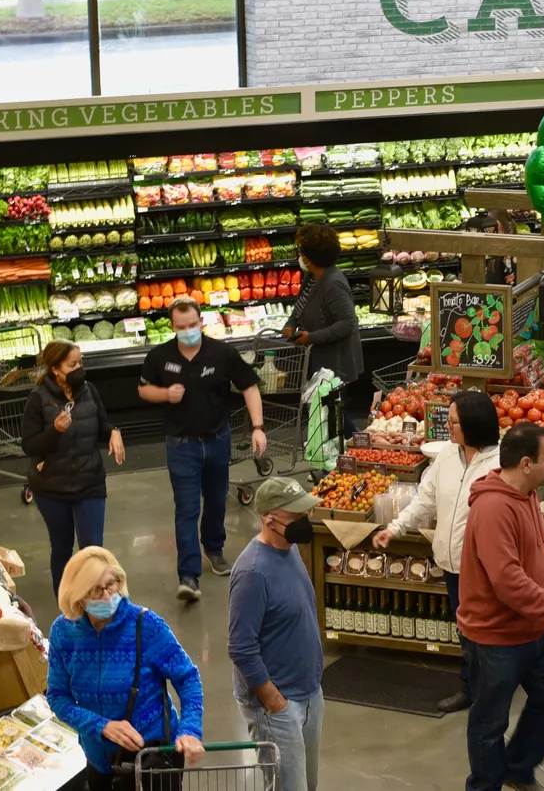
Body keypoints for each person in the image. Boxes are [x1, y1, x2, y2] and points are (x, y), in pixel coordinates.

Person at [459, 422, 544, 791]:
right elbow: (508, 582)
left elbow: (526, 527)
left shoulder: (525, 491)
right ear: (525, 463)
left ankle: (516, 768)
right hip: (496, 637)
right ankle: (486, 785)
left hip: (535, 630)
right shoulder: (492, 508)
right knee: (489, 723)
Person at [372, 389, 503, 713]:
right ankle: (471, 688)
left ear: (473, 425)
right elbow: (425, 500)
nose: (449, 426)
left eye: (455, 421)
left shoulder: (500, 464)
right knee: (465, 632)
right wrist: (395, 528)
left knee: (486, 633)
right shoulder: (446, 456)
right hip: (452, 563)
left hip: (485, 567)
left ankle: (489, 690)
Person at [45, 547, 205, 791]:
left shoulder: (146, 626)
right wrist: (102, 726)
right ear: (78, 595)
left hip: (152, 760)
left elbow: (188, 678)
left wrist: (190, 729)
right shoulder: (63, 633)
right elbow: (57, 696)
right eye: (96, 590)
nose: (108, 595)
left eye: (112, 584)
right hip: (99, 760)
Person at [139, 297, 265, 603]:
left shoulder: (222, 353)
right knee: (186, 508)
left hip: (217, 440)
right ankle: (188, 576)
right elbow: (143, 389)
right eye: (181, 327)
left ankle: (214, 549)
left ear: (201, 323)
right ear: (173, 326)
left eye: (192, 325)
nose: (188, 331)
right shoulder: (159, 356)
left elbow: (249, 386)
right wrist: (165, 393)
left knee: (217, 500)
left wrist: (258, 427)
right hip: (181, 445)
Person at [229, 477, 326, 791]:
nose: (304, 522)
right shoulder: (252, 572)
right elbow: (241, 647)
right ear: (270, 519)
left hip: (308, 692)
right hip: (278, 704)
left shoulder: (291, 549)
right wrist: (274, 702)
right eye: (295, 517)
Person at [21, 341, 125, 592]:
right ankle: (66, 606)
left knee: (93, 551)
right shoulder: (38, 399)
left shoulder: (88, 391)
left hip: (90, 482)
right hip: (51, 487)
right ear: (55, 368)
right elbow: (30, 446)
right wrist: (54, 431)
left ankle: (97, 602)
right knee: (62, 548)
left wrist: (113, 431)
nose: (80, 368)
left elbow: (101, 425)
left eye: (81, 362)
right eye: (73, 364)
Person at [282, 222, 363, 389]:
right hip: (318, 360)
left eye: (301, 252)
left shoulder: (333, 284)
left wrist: (311, 337)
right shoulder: (311, 276)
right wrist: (291, 323)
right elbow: (301, 304)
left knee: (332, 411)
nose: (299, 255)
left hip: (335, 365)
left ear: (309, 259)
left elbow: (348, 322)